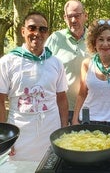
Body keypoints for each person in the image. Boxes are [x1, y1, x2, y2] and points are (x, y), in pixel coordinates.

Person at [0, 12, 69, 161]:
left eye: (42, 29)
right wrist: (3, 138)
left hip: (50, 133)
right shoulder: (7, 62)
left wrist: (63, 131)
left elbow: (62, 98)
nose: (37, 33)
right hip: (19, 136)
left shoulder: (56, 63)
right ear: (23, 31)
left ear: (47, 34)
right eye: (32, 28)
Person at [71, 19, 110, 132]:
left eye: (109, 39)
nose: (105, 44)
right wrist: (75, 120)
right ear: (94, 43)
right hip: (87, 122)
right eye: (100, 39)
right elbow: (82, 95)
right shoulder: (87, 64)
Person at [45, 0, 89, 120]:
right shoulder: (55, 39)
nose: (74, 20)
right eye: (70, 16)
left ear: (85, 16)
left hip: (88, 107)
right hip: (59, 106)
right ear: (65, 18)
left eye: (77, 15)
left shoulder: (95, 39)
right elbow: (42, 67)